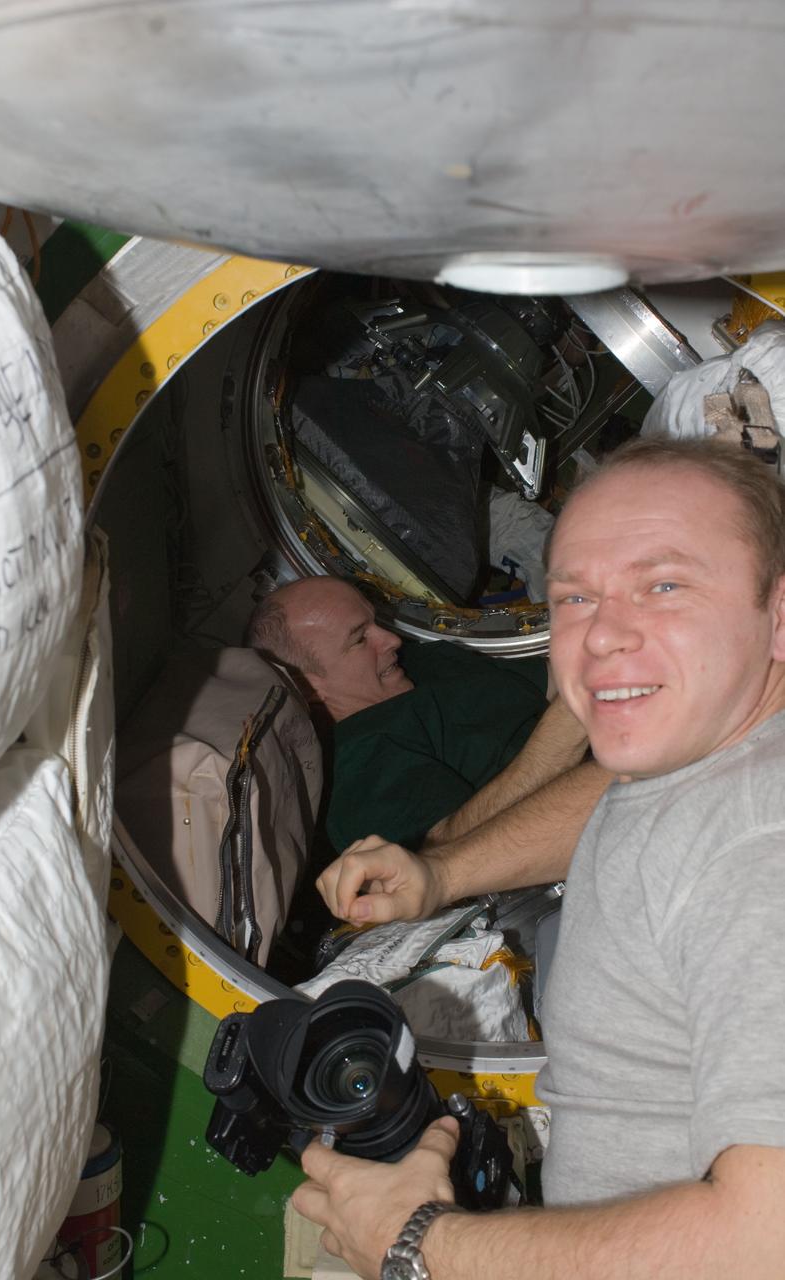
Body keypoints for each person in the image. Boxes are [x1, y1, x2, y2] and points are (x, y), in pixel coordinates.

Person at [293, 436, 785, 1279]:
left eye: (665, 586)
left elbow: (764, 1241)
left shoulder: (758, 850)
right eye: (575, 598)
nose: (603, 637)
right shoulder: (703, 754)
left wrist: (417, 1244)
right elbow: (616, 805)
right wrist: (440, 874)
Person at [248, 574, 610, 861]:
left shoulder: (420, 664)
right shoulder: (359, 765)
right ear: (308, 688)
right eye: (360, 640)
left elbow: (556, 678)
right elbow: (450, 851)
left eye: (376, 623)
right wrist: (572, 718)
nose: (391, 639)